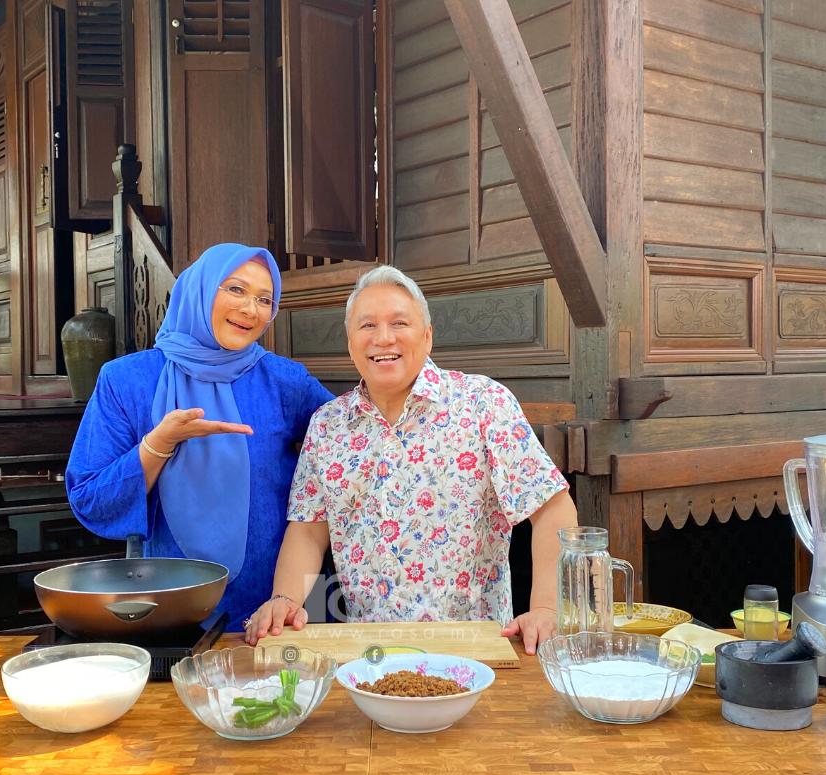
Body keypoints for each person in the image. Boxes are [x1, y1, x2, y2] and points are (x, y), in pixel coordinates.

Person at [244, 266, 577, 654]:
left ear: (428, 335)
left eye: (399, 322)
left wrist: (546, 608)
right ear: (350, 341)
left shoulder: (483, 403)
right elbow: (308, 530)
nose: (383, 338)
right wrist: (285, 599)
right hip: (367, 657)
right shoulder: (328, 426)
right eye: (367, 325)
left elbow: (551, 506)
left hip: (474, 653)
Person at [66, 243, 333, 633]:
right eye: (236, 290)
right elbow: (91, 498)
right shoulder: (126, 380)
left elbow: (352, 433)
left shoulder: (283, 380)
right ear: (199, 290)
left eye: (265, 299)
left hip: (278, 605)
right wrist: (158, 445)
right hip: (170, 605)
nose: (251, 309)